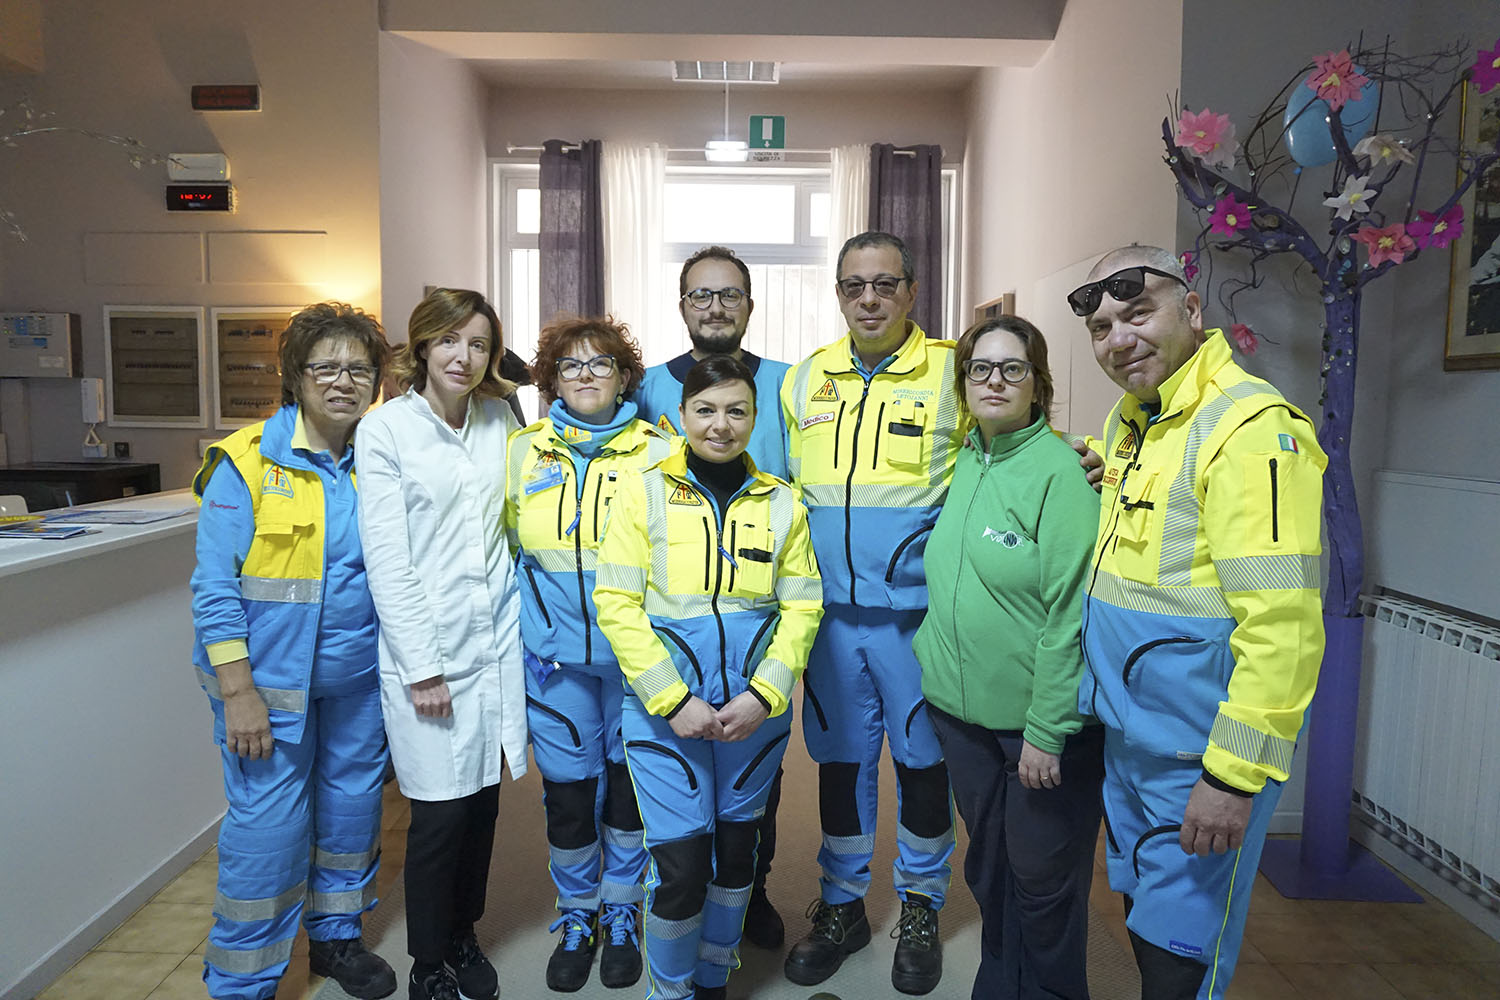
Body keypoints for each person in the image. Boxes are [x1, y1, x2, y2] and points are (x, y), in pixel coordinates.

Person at [1071, 245, 1326, 998]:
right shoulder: (1135, 426)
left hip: (1200, 762)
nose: (1120, 338)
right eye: (1103, 327)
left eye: (1138, 312)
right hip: (1132, 744)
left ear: (1191, 310)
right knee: (1146, 935)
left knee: (1181, 962)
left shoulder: (1249, 430)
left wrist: (1232, 777)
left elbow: (1283, 624)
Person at [594, 355, 823, 1000]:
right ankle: (670, 991)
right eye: (706, 410)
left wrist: (765, 696)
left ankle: (714, 977)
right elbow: (617, 604)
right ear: (681, 415)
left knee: (736, 856)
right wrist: (672, 699)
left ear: (754, 417)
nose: (721, 425)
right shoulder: (641, 493)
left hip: (753, 716)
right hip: (667, 716)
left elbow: (802, 606)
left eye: (737, 411)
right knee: (681, 864)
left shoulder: (783, 503)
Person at [190, 302, 396, 1000]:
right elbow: (213, 587)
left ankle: (336, 941)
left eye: (359, 368)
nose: (344, 381)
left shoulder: (383, 457)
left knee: (350, 815)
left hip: (359, 684)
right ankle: (243, 982)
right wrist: (236, 689)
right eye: (327, 367)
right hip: (268, 689)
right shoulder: (246, 462)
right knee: (267, 835)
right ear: (296, 376)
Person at [778, 231, 960, 996]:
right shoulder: (804, 380)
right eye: (854, 286)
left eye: (885, 285)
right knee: (842, 764)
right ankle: (844, 904)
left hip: (917, 618)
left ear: (913, 292)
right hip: (830, 620)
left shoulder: (953, 370)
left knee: (923, 765)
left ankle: (920, 904)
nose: (870, 299)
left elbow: (1012, 452)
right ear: (839, 295)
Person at [912, 315, 1105, 1000]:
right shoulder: (965, 457)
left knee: (1045, 886)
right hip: (962, 721)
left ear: (1038, 383)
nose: (994, 380)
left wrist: (1047, 730)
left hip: (1038, 729)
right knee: (991, 871)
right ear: (963, 384)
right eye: (979, 369)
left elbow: (1071, 614)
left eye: (1011, 368)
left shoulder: (1061, 472)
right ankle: (999, 983)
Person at [355, 288, 529, 1000]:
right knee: (438, 813)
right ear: (421, 346)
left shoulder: (500, 420)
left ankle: (465, 934)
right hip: (426, 652)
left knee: (483, 802)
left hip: (496, 644)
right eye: (450, 340)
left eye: (479, 344)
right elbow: (388, 558)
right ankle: (428, 962)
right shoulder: (387, 430)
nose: (464, 356)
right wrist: (421, 665)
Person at [504, 315, 673, 992]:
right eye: (569, 366)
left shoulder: (660, 451)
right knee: (570, 798)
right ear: (550, 379)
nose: (585, 377)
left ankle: (623, 910)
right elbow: (507, 549)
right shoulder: (522, 450)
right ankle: (578, 914)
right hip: (554, 663)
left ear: (625, 376)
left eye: (599, 364)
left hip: (635, 661)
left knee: (630, 794)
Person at [632, 244, 791, 947]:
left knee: (756, 778)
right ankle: (670, 895)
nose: (716, 306)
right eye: (702, 295)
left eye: (729, 294)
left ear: (750, 306)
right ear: (683, 306)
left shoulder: (788, 384)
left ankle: (750, 890)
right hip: (676, 625)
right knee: (674, 785)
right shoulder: (645, 388)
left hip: (763, 614)